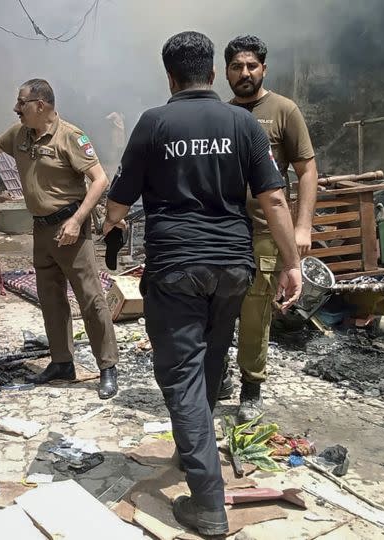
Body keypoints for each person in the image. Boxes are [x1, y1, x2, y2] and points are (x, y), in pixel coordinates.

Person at [103, 31, 302, 536]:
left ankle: (208, 502)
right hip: (234, 267)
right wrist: (291, 263)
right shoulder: (242, 122)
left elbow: (118, 205)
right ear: (214, 74)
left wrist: (111, 229)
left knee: (181, 374)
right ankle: (192, 445)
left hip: (177, 269)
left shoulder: (154, 123)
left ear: (170, 76)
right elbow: (275, 200)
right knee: (211, 359)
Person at [0, 79, 120, 399]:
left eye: (22, 103)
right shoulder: (19, 134)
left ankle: (108, 368)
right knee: (50, 297)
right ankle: (62, 361)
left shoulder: (71, 136)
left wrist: (77, 221)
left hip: (70, 229)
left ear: (41, 105)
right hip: (41, 229)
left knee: (90, 298)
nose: (16, 108)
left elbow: (100, 179)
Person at [223, 35, 318, 423]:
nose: (244, 73)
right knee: (219, 308)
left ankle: (251, 387)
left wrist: (303, 226)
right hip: (225, 228)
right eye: (236, 67)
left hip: (265, 229)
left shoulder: (283, 111)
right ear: (225, 72)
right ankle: (217, 376)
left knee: (255, 310)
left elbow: (307, 170)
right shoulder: (221, 114)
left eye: (251, 66)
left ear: (264, 68)